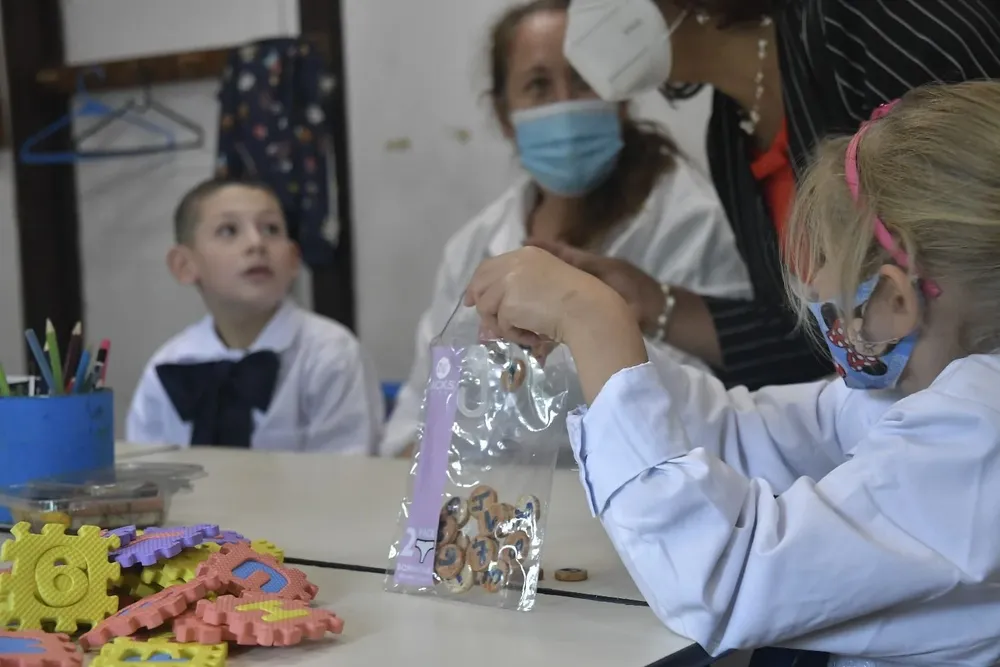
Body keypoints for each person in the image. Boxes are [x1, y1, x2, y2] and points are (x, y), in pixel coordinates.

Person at [465, 80, 1000, 665]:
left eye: (826, 261)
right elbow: (758, 438)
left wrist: (594, 325)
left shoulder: (978, 431)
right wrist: (600, 344)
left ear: (895, 300)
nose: (817, 284)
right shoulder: (926, 386)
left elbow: (723, 581)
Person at [542, 0, 1000, 391]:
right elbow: (823, 337)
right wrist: (653, 304)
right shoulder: (729, 135)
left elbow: (978, 256)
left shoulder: (875, 20)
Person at [380, 0, 753, 458]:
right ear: (505, 116)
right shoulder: (473, 247)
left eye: (583, 78)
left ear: (620, 96)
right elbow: (418, 424)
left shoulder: (692, 223)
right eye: (539, 85)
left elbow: (711, 420)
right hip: (493, 499)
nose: (565, 103)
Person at [126, 179, 384, 453]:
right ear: (184, 265)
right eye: (228, 231)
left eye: (271, 229)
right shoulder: (168, 364)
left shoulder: (330, 354)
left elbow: (348, 467)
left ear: (293, 259)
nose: (256, 243)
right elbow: (146, 465)